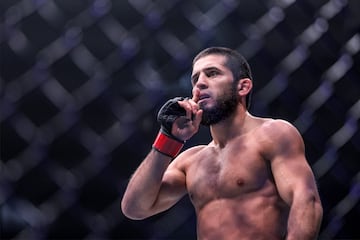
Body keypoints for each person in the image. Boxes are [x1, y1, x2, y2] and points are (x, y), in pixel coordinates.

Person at [121, 47, 323, 239]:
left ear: (242, 86)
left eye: (212, 73)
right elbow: (135, 208)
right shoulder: (190, 161)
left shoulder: (272, 134)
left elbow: (306, 200)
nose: (199, 84)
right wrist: (168, 138)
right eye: (195, 78)